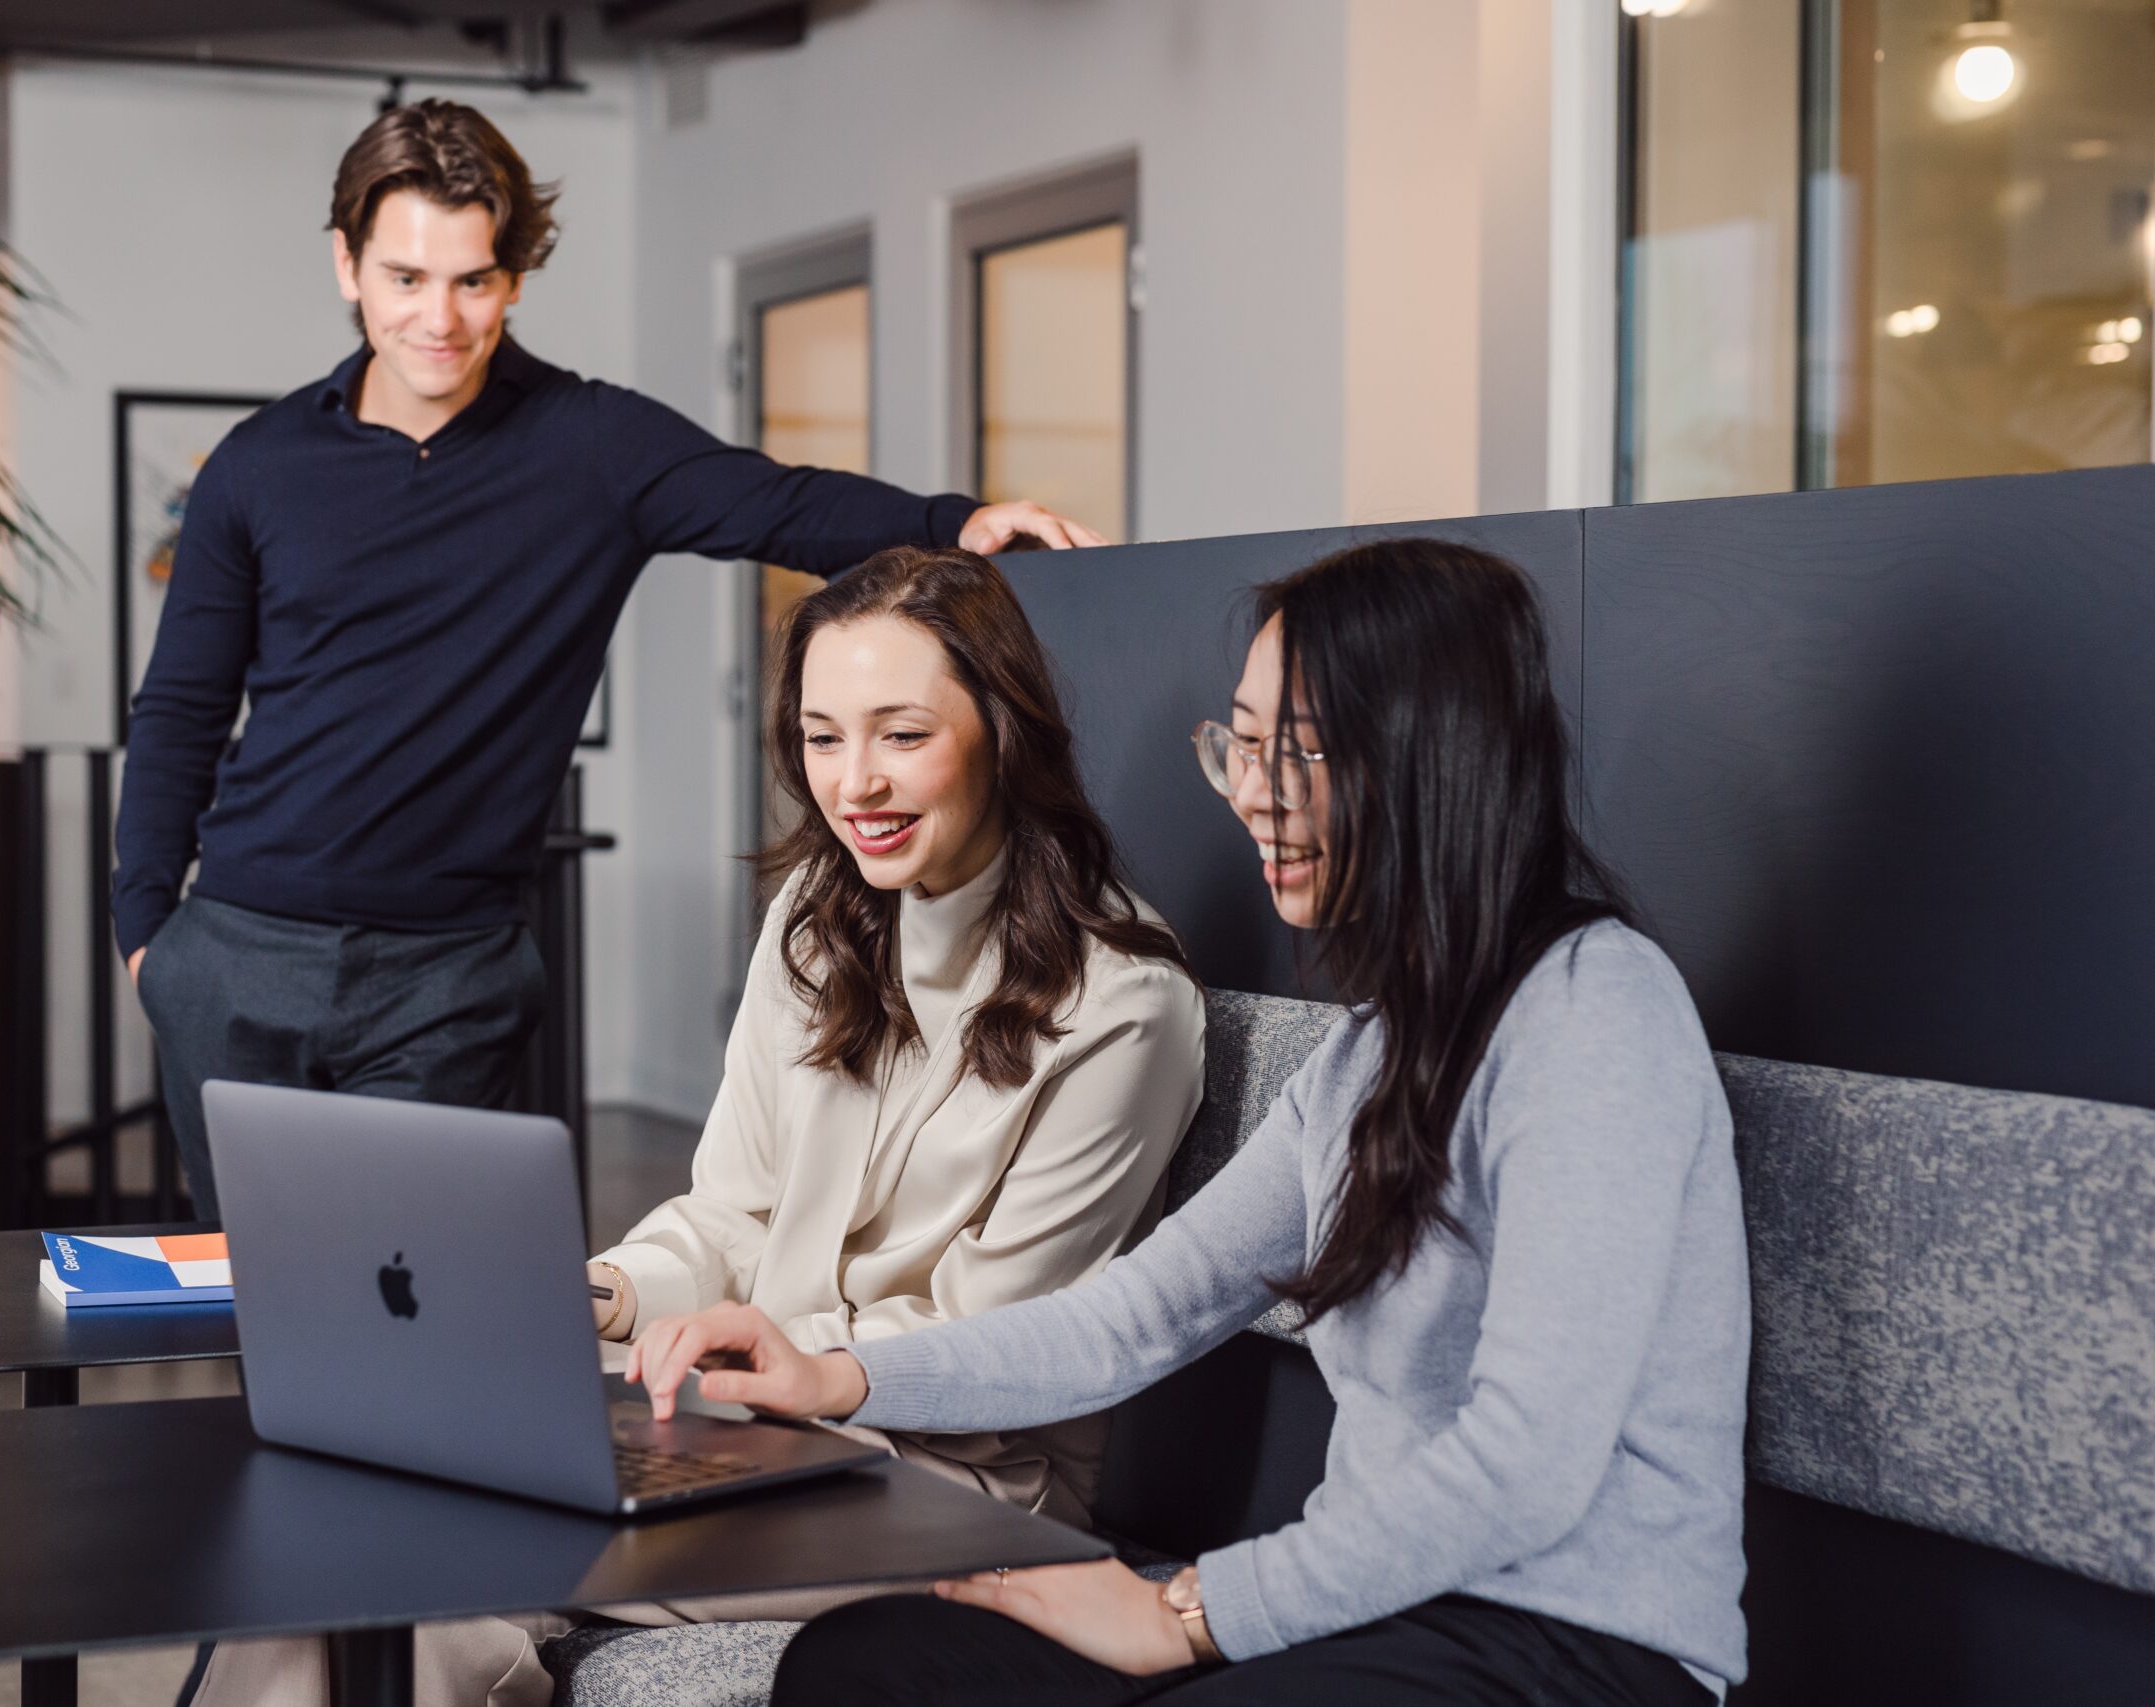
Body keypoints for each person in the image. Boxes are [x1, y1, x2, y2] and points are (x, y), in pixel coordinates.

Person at [633, 539, 1753, 1707]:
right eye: (1241, 746)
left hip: (1567, 1646)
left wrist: (1193, 1613)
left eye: (1300, 751)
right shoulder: (1368, 1054)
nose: (1253, 795)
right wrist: (835, 1377)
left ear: (1433, 756)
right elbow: (1133, 1318)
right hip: (1362, 1614)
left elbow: (1526, 1465)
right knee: (868, 1664)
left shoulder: (1594, 1012)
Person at [194, 546, 1206, 1706]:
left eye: (901, 734)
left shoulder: (1123, 1005)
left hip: (948, 1481)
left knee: (412, 1544)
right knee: (355, 1520)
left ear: (1005, 731)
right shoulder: (818, 924)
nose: (854, 784)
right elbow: (732, 1209)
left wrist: (762, 1358)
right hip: (745, 1419)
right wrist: (608, 1293)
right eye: (824, 738)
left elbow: (1000, 1340)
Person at [117, 102, 1102, 1217]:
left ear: (516, 277)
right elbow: (180, 710)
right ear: (346, 266)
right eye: (404, 279)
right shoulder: (258, 465)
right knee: (262, 1305)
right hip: (237, 955)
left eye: (473, 281)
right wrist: (148, 935)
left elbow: (774, 501)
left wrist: (955, 519)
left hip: (448, 975)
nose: (438, 318)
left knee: (421, 1308)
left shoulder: (591, 446)